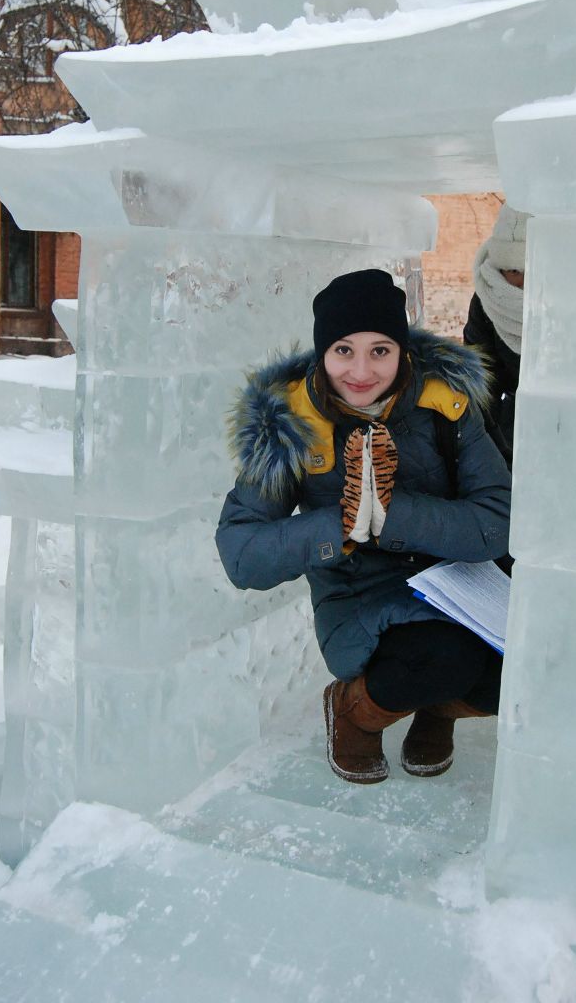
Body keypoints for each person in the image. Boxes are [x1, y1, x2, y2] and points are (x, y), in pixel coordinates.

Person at [216, 268, 512, 786]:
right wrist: (342, 527)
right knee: (442, 659)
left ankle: (436, 710)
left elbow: (498, 520)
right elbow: (242, 554)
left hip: (455, 582)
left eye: (380, 350)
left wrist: (394, 516)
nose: (361, 370)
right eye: (343, 350)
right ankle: (353, 712)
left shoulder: (445, 405)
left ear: (401, 351)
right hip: (360, 594)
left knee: (511, 675)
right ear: (323, 353)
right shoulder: (291, 425)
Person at [463, 203, 530, 471]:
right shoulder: (487, 301)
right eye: (514, 271)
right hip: (513, 426)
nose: (523, 282)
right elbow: (482, 375)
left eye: (529, 269)